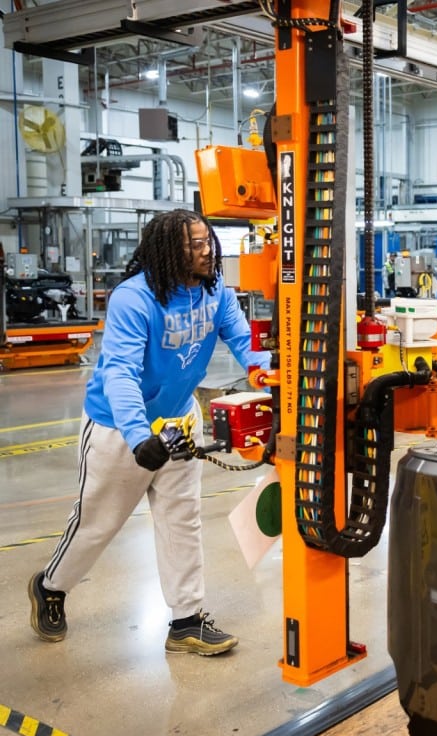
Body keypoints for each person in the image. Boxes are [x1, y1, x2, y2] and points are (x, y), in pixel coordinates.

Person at [28, 209, 271, 657]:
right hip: (118, 427)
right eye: (194, 245)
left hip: (179, 418)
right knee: (98, 524)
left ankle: (186, 621)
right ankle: (50, 586)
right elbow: (119, 372)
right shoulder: (134, 298)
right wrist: (140, 437)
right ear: (167, 252)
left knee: (182, 520)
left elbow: (246, 344)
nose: (207, 251)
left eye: (208, 241)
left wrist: (272, 374)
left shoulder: (216, 290)